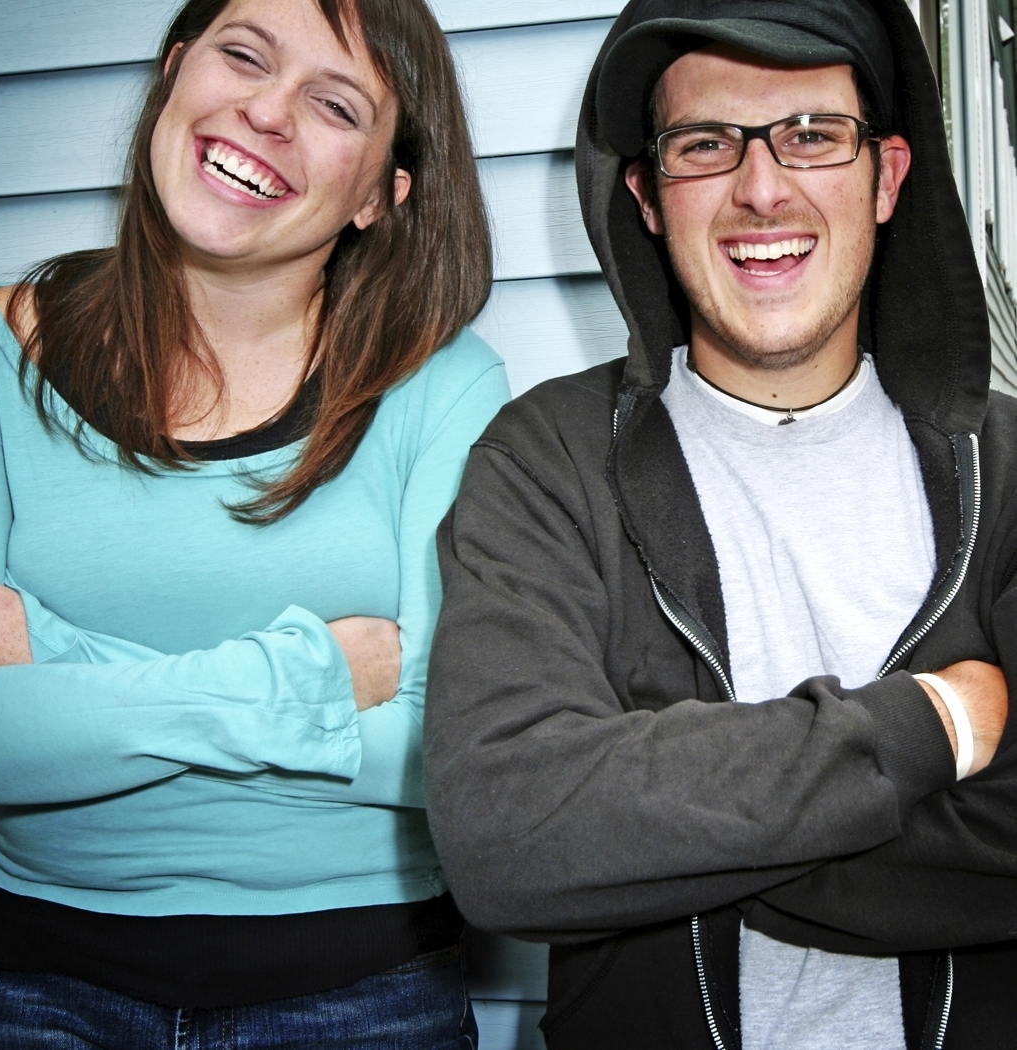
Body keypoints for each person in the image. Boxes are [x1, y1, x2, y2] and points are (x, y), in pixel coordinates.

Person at [424, 0, 1017, 1047]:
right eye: (705, 144)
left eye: (812, 135)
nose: (761, 188)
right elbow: (508, 836)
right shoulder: (548, 462)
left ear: (887, 176)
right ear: (646, 197)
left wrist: (661, 840)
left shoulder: (1007, 471)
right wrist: (934, 723)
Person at [0, 0, 509, 1045]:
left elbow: (444, 753)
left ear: (381, 195)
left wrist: (58, 660)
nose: (266, 112)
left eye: (335, 104)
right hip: (33, 995)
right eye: (244, 55)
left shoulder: (443, 387)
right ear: (176, 71)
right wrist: (316, 678)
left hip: (361, 999)